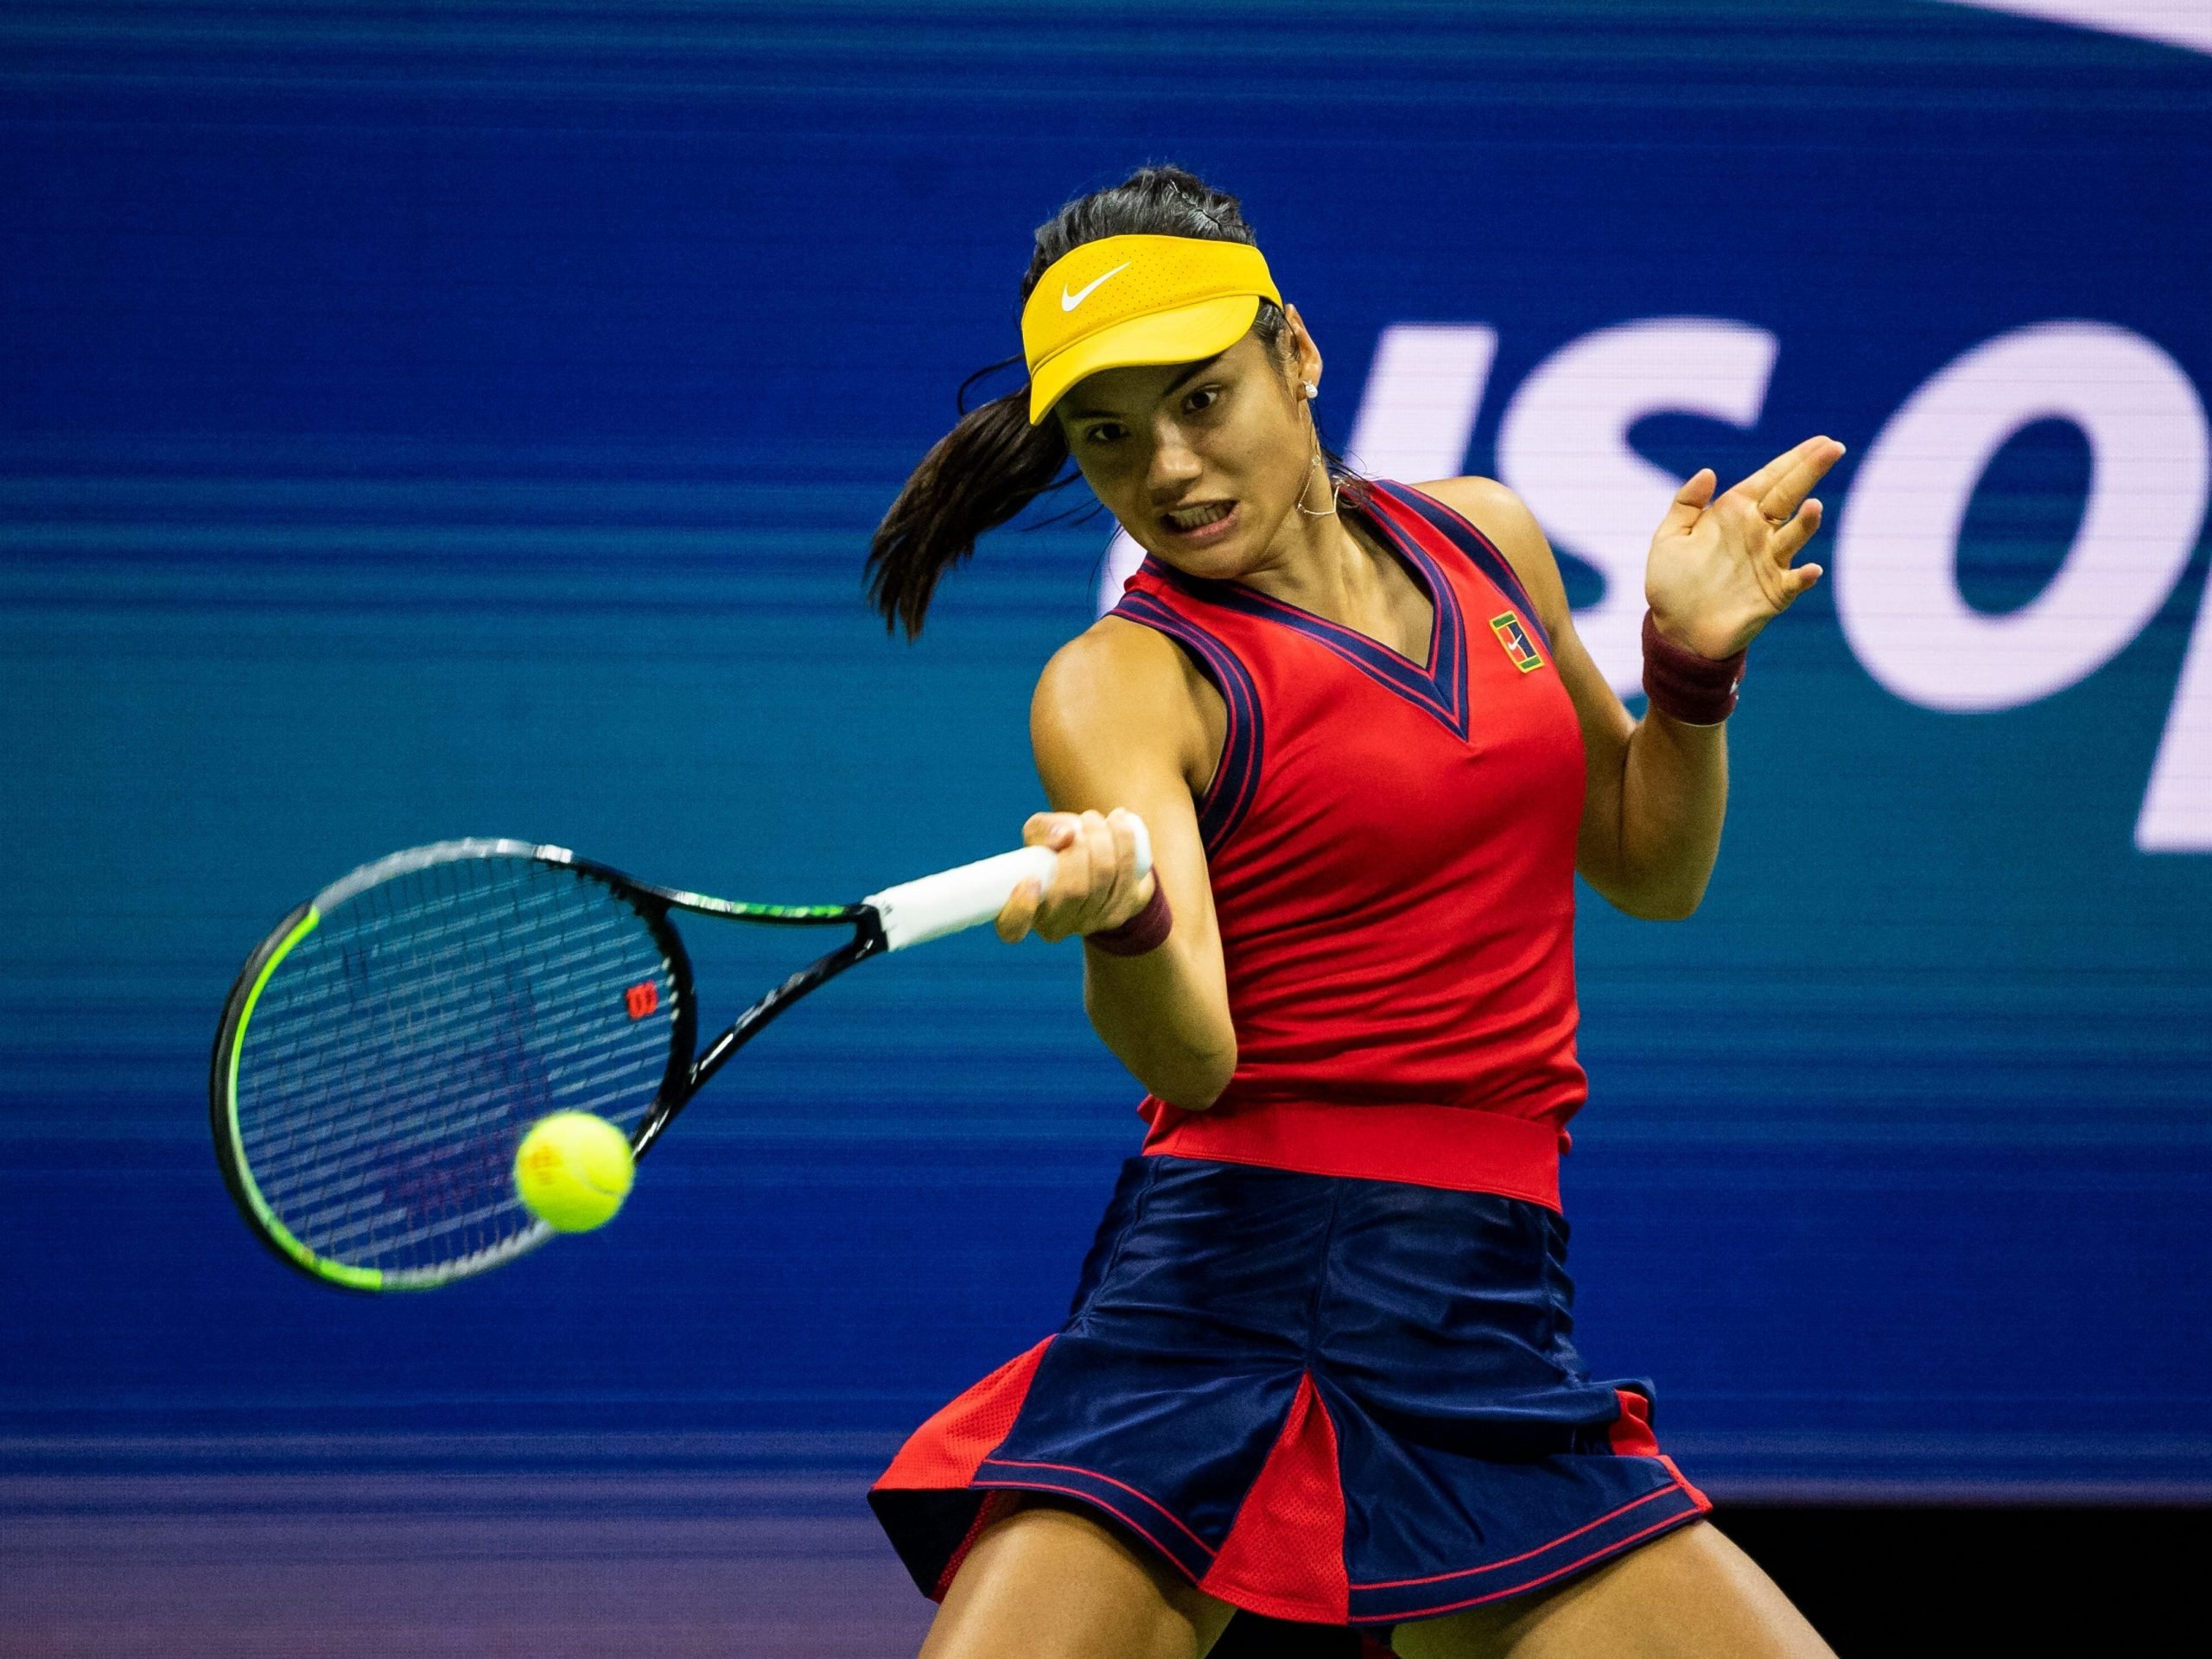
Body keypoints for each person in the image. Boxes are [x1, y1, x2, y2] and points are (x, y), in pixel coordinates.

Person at [862, 165, 1841, 1659]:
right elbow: (1190, 1055)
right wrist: (1124, 919)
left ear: (1296, 354)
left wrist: (1691, 673)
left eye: (1202, 400)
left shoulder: (1481, 539)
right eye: (1109, 438)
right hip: (1220, 1294)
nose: (1169, 469)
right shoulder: (1124, 683)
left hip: (1487, 1307)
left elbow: (1650, 865)